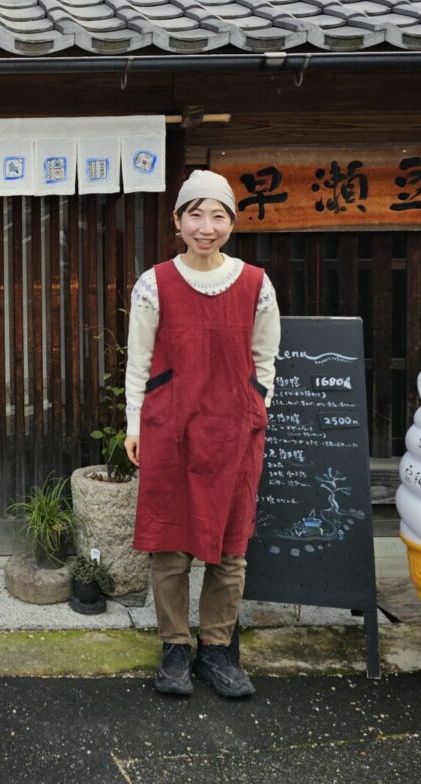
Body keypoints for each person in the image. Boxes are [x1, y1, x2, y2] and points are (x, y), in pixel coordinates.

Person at [123, 169, 281, 700]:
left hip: (234, 429)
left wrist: (256, 406)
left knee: (230, 550)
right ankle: (173, 646)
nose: (206, 226)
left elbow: (266, 360)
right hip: (171, 428)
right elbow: (139, 361)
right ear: (177, 221)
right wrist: (134, 421)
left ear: (232, 222)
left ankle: (216, 649)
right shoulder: (155, 282)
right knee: (169, 545)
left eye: (218, 215)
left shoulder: (257, 284)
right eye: (195, 213)